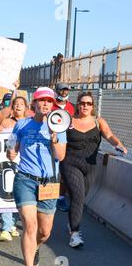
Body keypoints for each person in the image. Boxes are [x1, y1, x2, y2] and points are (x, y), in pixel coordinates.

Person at [7, 87, 67, 266]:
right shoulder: (22, 124)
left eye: (49, 101)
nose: (45, 104)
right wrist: (11, 153)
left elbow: (61, 156)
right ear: (34, 103)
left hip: (49, 182)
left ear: (53, 105)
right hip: (25, 179)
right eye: (42, 101)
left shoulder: (59, 126)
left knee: (44, 232)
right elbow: (11, 146)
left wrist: (54, 139)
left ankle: (36, 247)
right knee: (30, 226)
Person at [60, 92, 127, 248]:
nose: (85, 106)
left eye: (89, 103)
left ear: (93, 106)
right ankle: (75, 234)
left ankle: (72, 223)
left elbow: (109, 135)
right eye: (82, 103)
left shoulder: (98, 122)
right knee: (77, 196)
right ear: (77, 104)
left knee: (81, 198)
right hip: (70, 163)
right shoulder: (68, 121)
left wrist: (118, 144)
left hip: (90, 166)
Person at [0, 96, 29, 241]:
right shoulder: (7, 122)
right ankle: (5, 228)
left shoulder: (29, 123)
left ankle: (12, 224)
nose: (18, 106)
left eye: (21, 104)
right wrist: (0, 129)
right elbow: (1, 137)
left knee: (18, 195)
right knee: (7, 193)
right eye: (15, 104)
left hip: (25, 165)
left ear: (26, 107)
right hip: (8, 163)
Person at [53, 83, 75, 212]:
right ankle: (48, 196)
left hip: (68, 143)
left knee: (64, 173)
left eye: (66, 90)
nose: (64, 92)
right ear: (57, 91)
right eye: (62, 90)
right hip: (53, 142)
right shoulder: (51, 105)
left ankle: (60, 197)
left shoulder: (71, 107)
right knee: (53, 172)